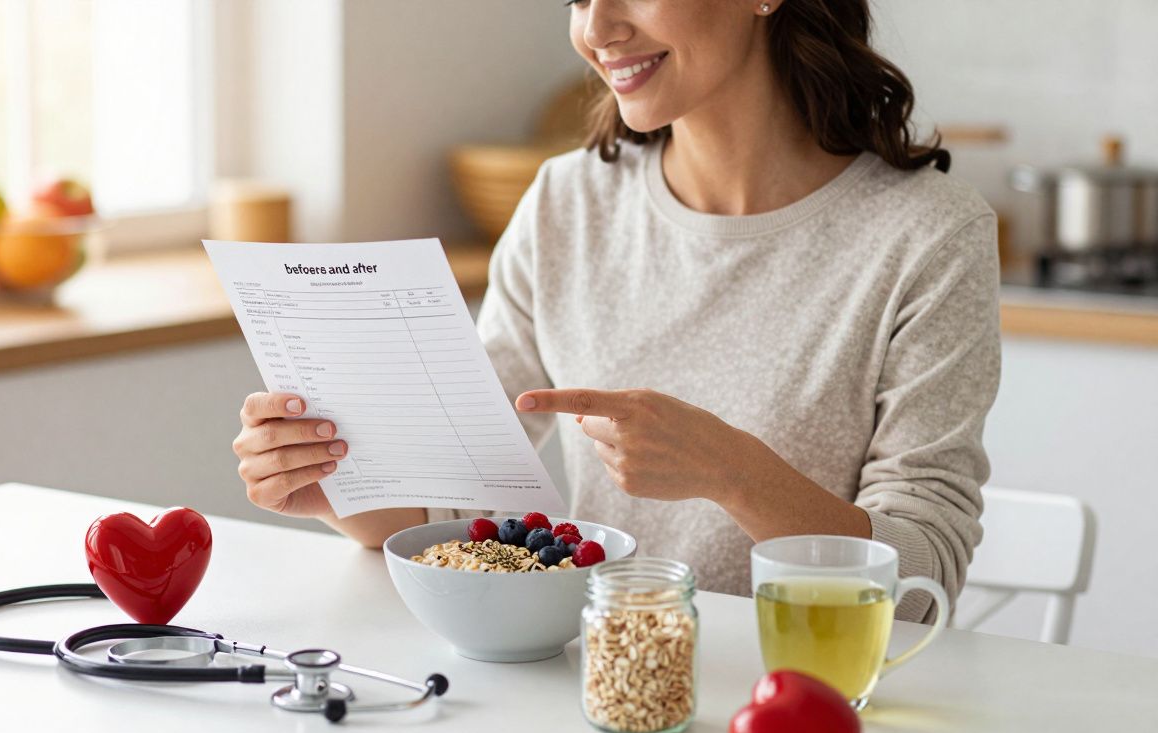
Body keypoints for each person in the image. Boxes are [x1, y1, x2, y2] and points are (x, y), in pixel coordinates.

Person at [232, 0, 999, 622]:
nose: (596, 29)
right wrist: (340, 489)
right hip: (608, 684)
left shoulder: (929, 237)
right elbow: (453, 500)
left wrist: (733, 471)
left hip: (807, 689)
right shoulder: (566, 204)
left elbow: (918, 587)